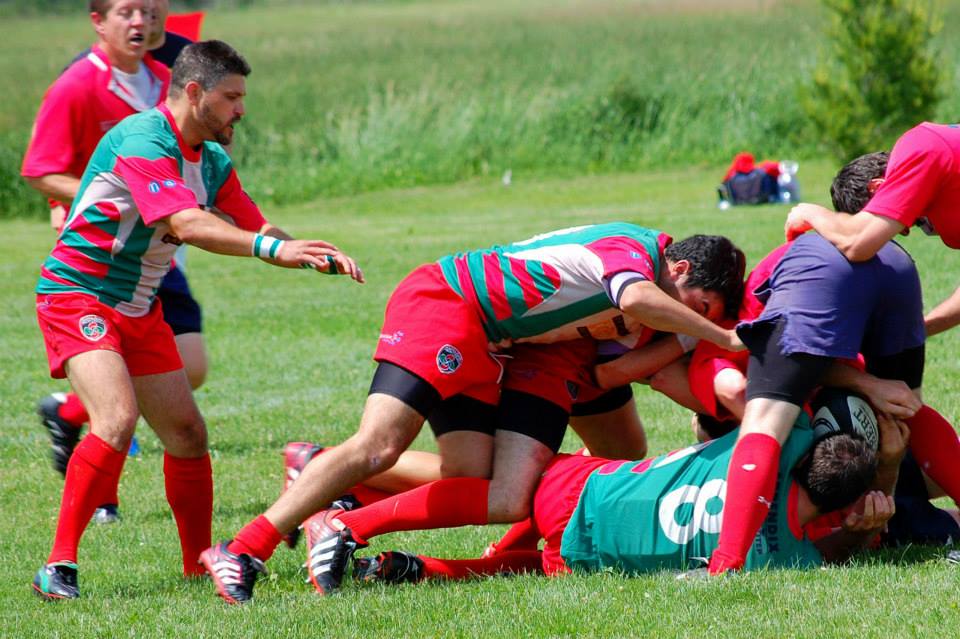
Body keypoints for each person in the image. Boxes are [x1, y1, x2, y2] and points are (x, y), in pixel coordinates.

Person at [200, 227, 746, 603]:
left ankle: (344, 514)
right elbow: (633, 300)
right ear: (678, 268)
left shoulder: (654, 300)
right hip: (445, 303)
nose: (689, 321)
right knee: (378, 445)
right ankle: (244, 549)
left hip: (496, 343)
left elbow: (620, 369)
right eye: (697, 307)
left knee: (487, 485)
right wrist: (719, 334)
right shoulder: (632, 251)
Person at [30, 39, 363, 601]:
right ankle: (57, 567)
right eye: (232, 96)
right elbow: (188, 225)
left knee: (187, 434)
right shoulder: (143, 140)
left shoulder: (210, 160)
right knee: (116, 419)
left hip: (140, 306)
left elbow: (251, 223)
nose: (241, 109)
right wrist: (273, 250)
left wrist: (303, 249)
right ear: (194, 92)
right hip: (77, 294)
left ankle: (194, 565)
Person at [706, 151, 960, 575]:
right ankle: (913, 520)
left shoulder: (790, 260)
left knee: (765, 419)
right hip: (898, 271)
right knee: (907, 412)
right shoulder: (894, 249)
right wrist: (871, 386)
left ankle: (724, 565)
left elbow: (775, 360)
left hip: (820, 270)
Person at [350, 406, 903, 586]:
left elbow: (787, 401)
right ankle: (426, 566)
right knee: (514, 567)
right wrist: (886, 477)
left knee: (490, 488)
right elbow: (830, 553)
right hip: (576, 553)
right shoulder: (782, 559)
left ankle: (344, 480)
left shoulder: (776, 444)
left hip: (584, 487)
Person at [24, 0, 200, 525]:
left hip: (159, 246)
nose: (140, 22)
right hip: (100, 254)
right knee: (117, 404)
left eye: (148, 10)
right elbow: (39, 170)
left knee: (191, 365)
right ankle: (102, 499)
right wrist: (98, 200)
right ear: (98, 22)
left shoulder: (167, 78)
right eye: (126, 11)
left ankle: (67, 411)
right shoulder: (78, 84)